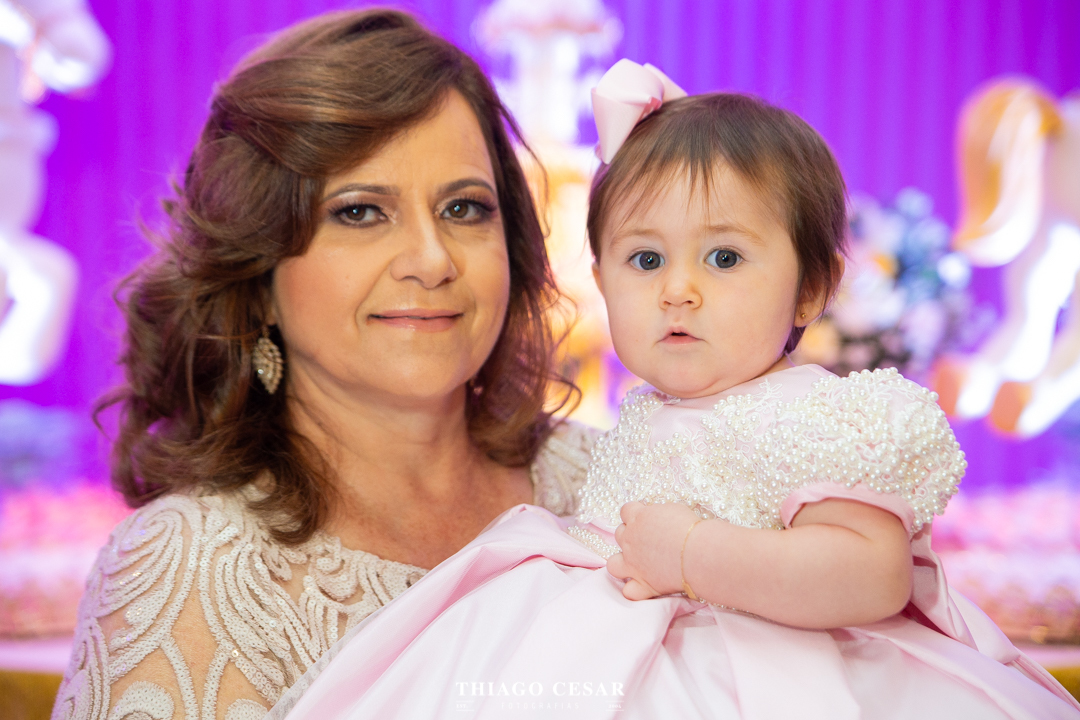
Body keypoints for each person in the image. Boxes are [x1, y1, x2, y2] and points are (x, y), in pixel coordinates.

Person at [268, 61, 1080, 720]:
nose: (678, 290)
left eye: (724, 258)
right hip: (607, 652)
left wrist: (693, 555)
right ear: (601, 280)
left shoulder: (824, 414)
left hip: (765, 678)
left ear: (811, 288)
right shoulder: (644, 417)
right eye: (646, 260)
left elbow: (871, 575)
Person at [50, 10, 598, 720]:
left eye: (464, 208)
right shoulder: (191, 570)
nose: (432, 260)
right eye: (360, 212)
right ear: (258, 272)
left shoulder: (614, 483)